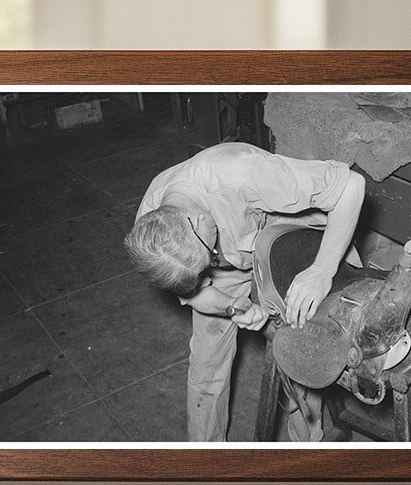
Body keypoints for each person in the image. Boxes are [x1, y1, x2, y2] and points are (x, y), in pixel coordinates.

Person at [124, 142, 365, 442]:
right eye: (202, 271)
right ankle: (206, 457)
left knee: (300, 340)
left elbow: (351, 186)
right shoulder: (153, 236)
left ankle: (306, 445)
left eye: (207, 258)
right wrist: (232, 307)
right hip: (232, 256)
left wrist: (321, 270)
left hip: (284, 233)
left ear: (198, 221)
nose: (211, 261)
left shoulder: (243, 172)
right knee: (207, 364)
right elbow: (197, 293)